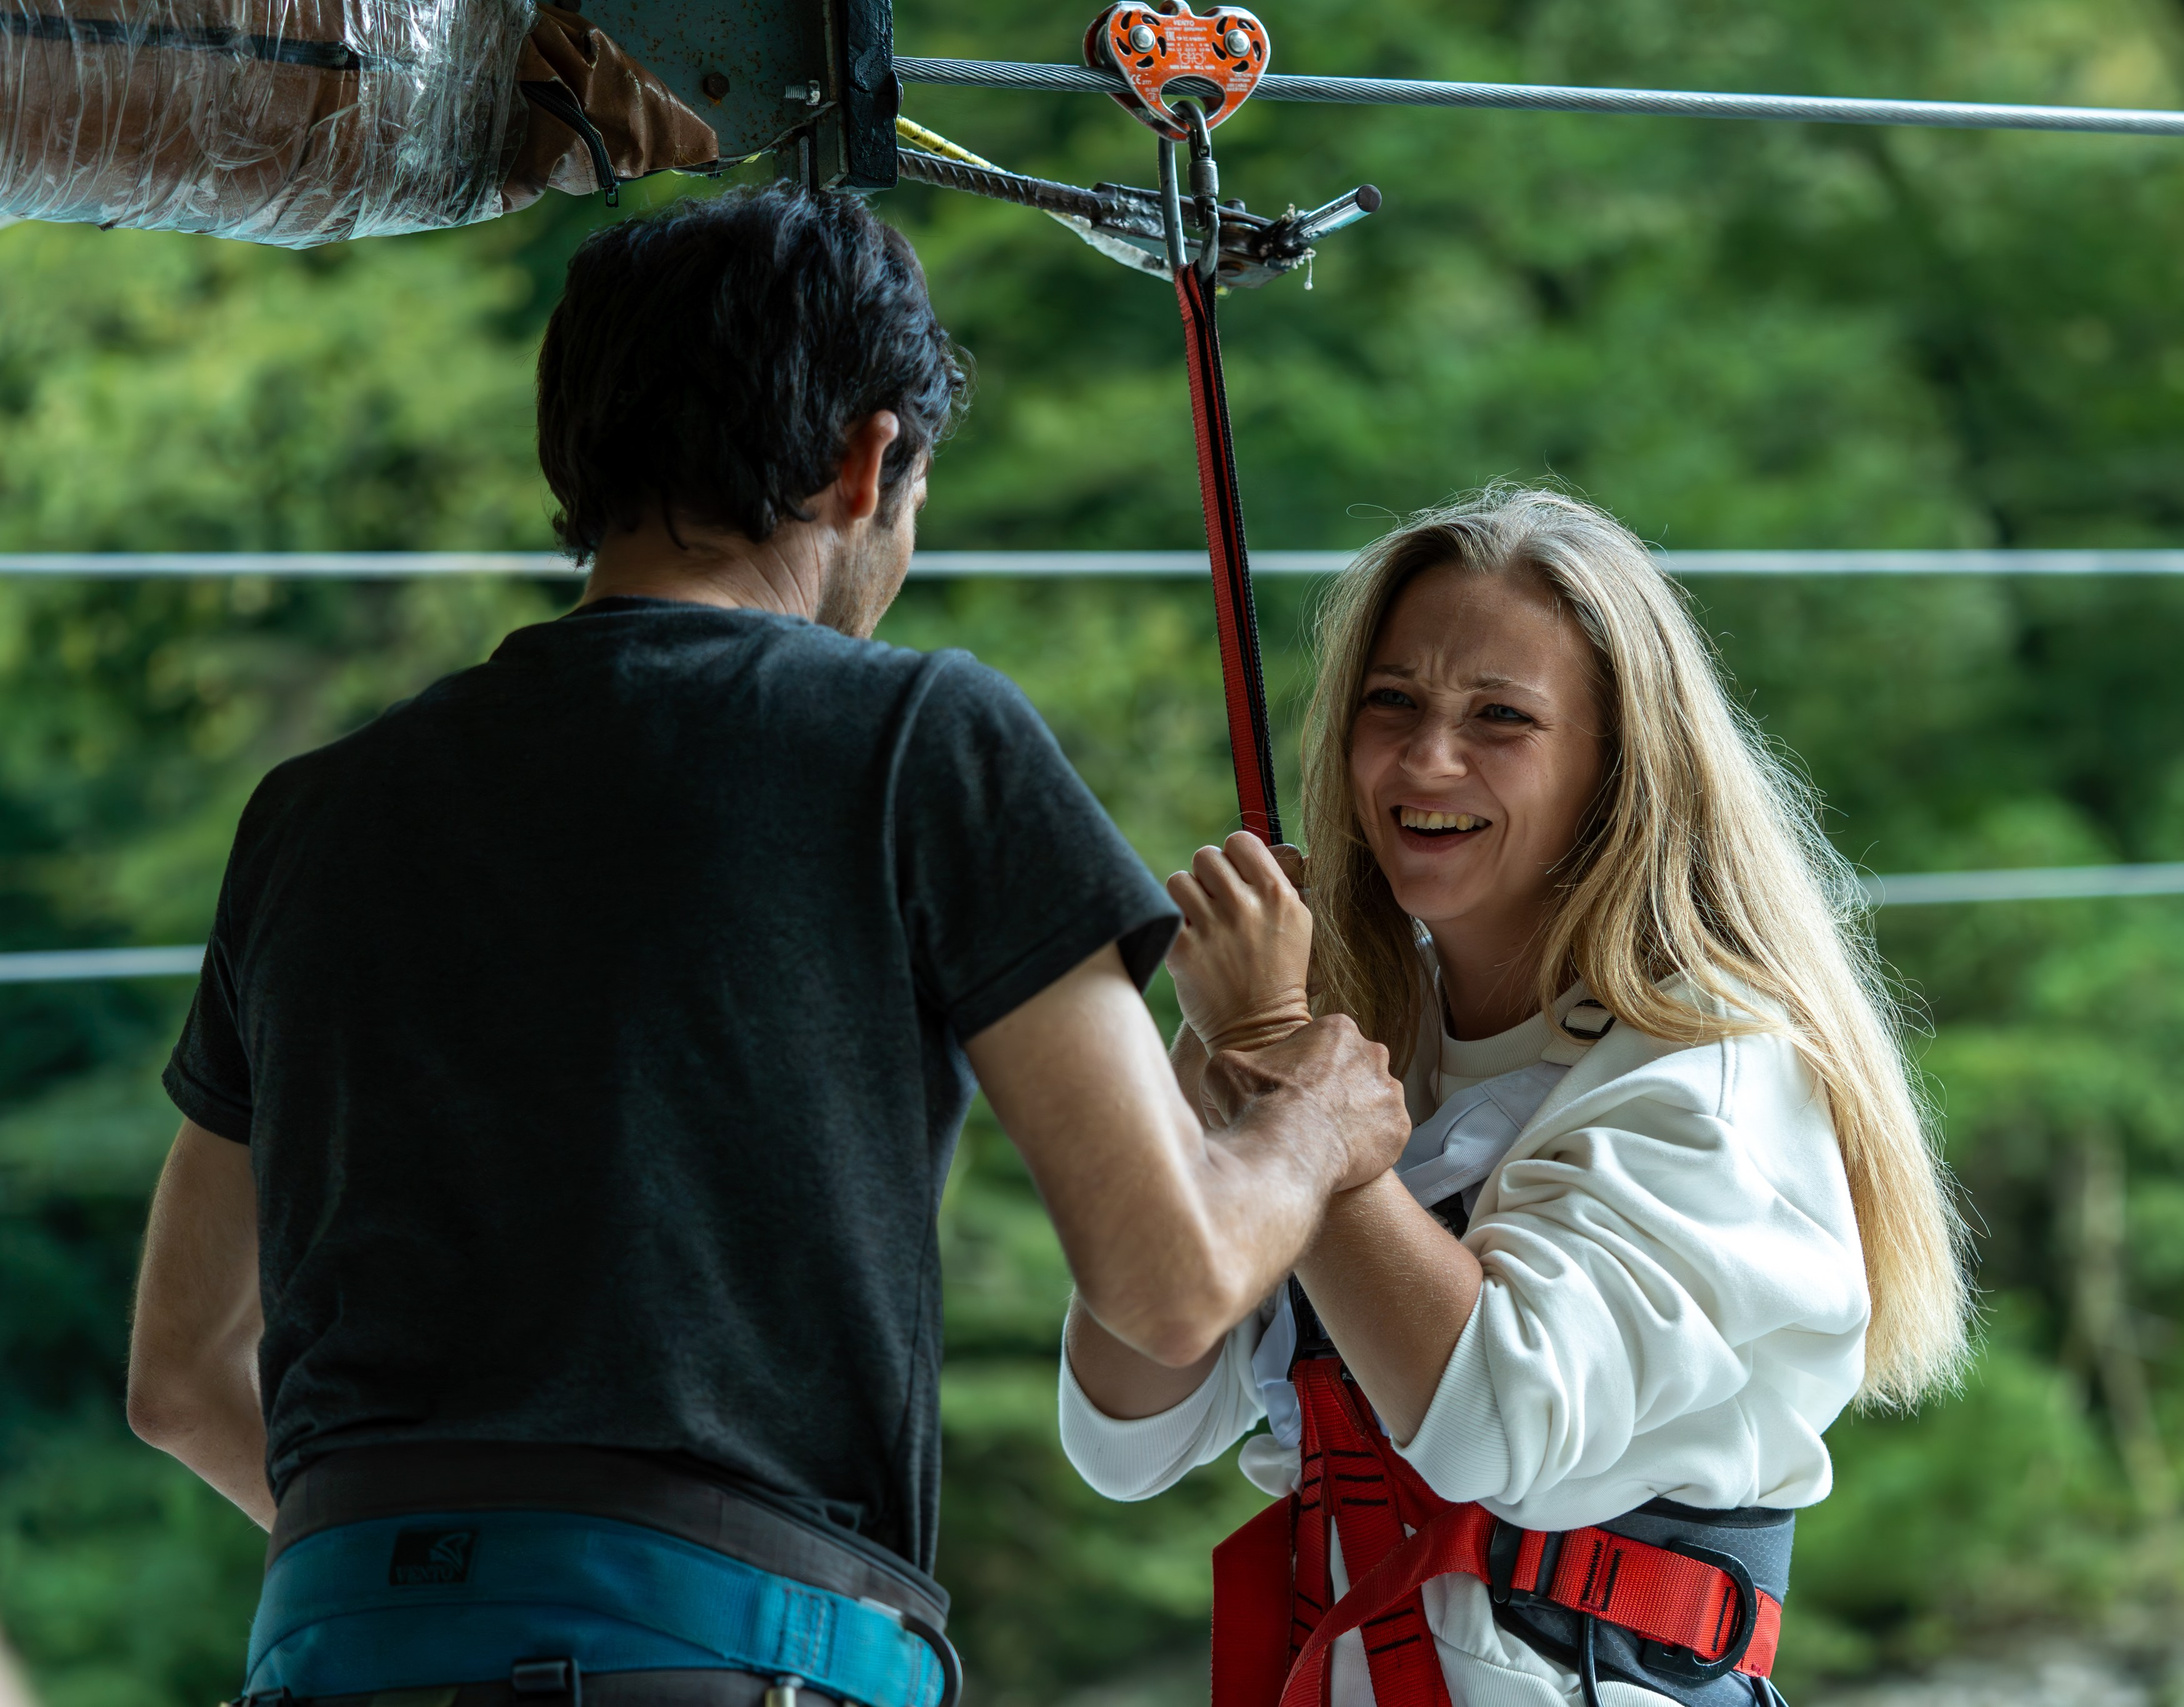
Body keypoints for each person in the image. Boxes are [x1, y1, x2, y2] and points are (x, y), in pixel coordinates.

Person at [122, 186, 1410, 1707]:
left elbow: (180, 1378)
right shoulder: (917, 736)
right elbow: (1172, 1282)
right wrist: (1314, 1122)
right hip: (733, 1648)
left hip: (333, 1644)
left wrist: (451, 1581)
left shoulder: (312, 811)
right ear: (867, 463)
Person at [1061, 488, 1973, 1707]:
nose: (1426, 760)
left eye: (1501, 717)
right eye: (1392, 702)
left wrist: (1282, 1060)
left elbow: (1496, 1427)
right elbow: (1124, 1431)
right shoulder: (1362, 1047)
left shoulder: (1708, 1069)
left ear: (1617, 768)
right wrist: (1223, 1041)